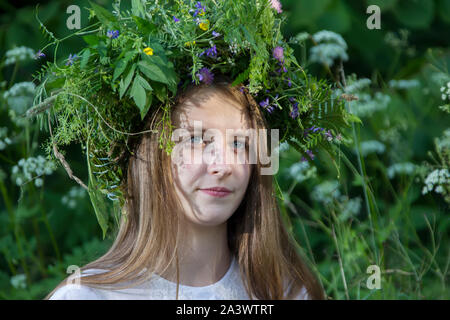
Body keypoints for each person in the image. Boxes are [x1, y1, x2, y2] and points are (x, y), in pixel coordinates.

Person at [46, 76, 324, 300]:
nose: (223, 165)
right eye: (197, 140)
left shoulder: (287, 293)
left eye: (240, 144)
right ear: (152, 155)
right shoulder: (88, 295)